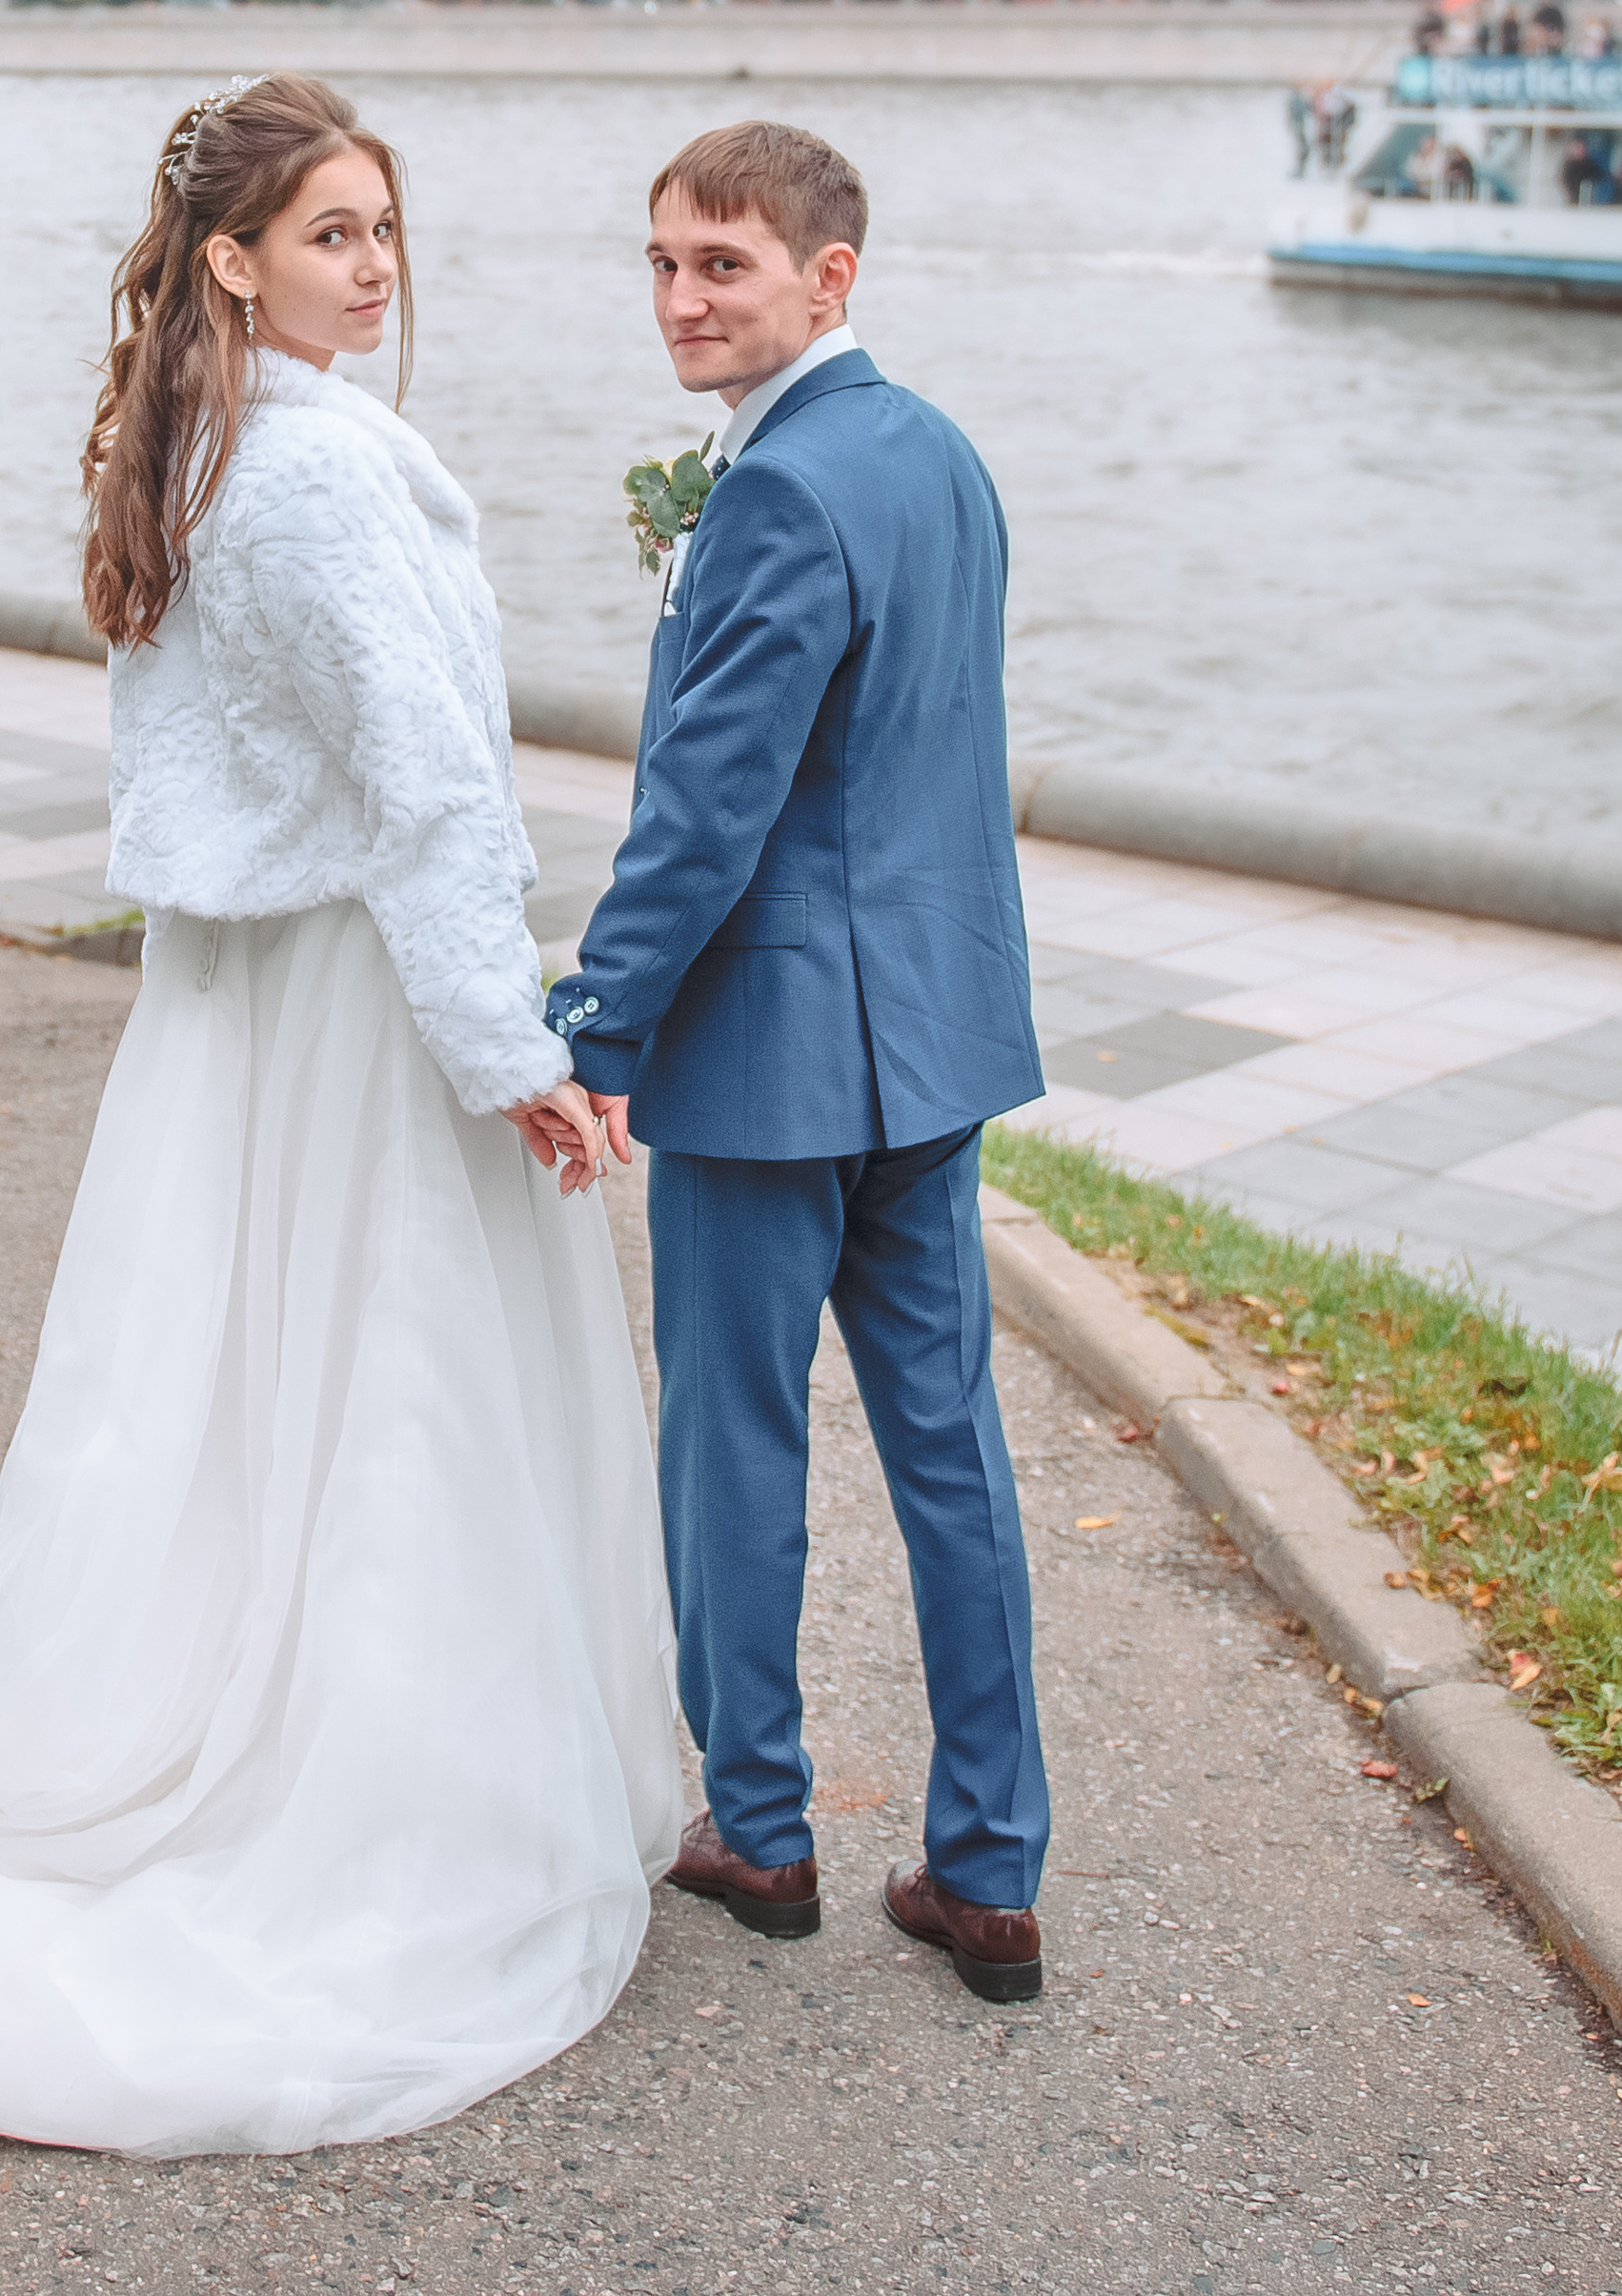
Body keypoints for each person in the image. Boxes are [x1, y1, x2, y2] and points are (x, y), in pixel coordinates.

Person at [0, 72, 681, 2154]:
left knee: (259, 1400)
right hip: (354, 991)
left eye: (385, 230)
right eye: (334, 233)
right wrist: (505, 1048)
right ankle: (380, 1796)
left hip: (252, 1002)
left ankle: (273, 1733)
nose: (375, 266)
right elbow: (423, 790)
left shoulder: (206, 435)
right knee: (392, 1390)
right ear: (234, 256)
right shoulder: (322, 478)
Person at [547, 123, 1051, 2008]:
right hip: (928, 1043)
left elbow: (704, 810)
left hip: (770, 1065)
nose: (682, 299)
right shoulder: (939, 457)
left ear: (826, 279)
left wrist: (600, 1023)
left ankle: (758, 1833)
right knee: (949, 1454)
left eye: (723, 267)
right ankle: (989, 1870)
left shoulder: (769, 496)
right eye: (663, 262)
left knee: (733, 1448)